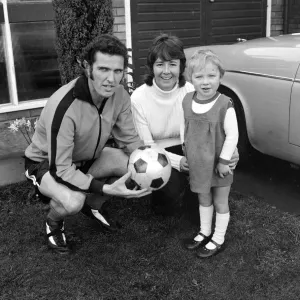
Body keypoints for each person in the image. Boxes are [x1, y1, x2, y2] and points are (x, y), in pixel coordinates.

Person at [24, 34, 150, 255]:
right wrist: (106, 188)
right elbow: (61, 169)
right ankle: (53, 222)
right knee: (73, 202)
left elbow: (129, 138)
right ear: (87, 67)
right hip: (47, 163)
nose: (111, 79)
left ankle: (93, 205)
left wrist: (151, 163)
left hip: (85, 158)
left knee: (131, 164)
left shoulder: (119, 94)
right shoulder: (65, 106)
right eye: (103, 69)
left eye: (118, 71)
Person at [130, 33, 239, 215]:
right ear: (151, 67)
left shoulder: (191, 90)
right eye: (160, 64)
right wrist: (178, 162)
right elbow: (147, 147)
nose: (166, 71)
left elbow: (215, 126)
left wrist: (230, 152)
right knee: (172, 191)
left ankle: (201, 200)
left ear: (181, 66)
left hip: (192, 147)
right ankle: (162, 199)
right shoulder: (138, 98)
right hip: (157, 154)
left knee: (198, 201)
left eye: (172, 64)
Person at [182, 49, 239, 258]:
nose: (205, 82)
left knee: (220, 201)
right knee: (203, 198)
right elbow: (184, 126)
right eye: (199, 77)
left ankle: (218, 237)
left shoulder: (225, 104)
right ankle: (204, 231)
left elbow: (233, 135)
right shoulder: (187, 100)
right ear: (191, 79)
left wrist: (224, 161)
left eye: (211, 76)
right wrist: (185, 148)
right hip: (198, 163)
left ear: (220, 76)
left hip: (218, 164)